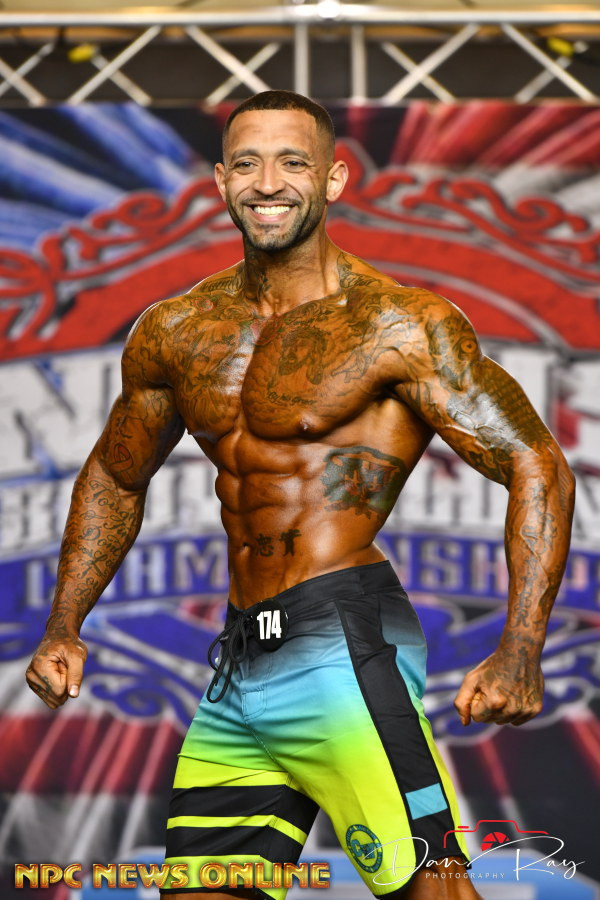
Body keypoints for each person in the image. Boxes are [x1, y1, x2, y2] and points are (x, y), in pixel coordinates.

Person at [26, 91, 575, 900]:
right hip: (240, 662)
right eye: (247, 164)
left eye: (292, 162)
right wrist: (64, 625)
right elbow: (116, 473)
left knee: (434, 888)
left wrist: (521, 645)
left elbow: (536, 462)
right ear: (221, 181)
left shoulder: (398, 324)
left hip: (340, 638)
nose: (267, 183)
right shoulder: (176, 329)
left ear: (334, 179)